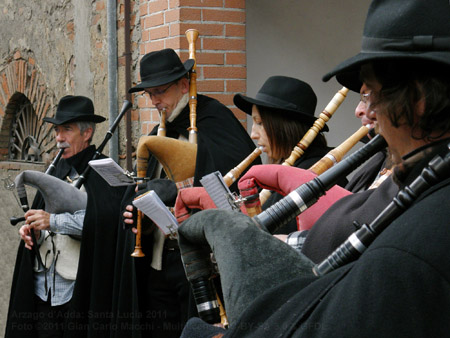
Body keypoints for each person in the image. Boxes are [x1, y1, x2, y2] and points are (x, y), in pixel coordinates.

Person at [176, 0, 450, 336]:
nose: (363, 112)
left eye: (373, 94)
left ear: (419, 99)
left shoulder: (414, 248)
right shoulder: (420, 181)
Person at [113, 48, 260, 338]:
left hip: (197, 262)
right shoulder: (159, 131)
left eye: (160, 91)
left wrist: (173, 189)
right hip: (158, 259)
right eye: (149, 94)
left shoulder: (213, 119)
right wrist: (137, 211)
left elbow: (233, 178)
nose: (155, 100)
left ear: (183, 84)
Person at [5, 95, 127, 338]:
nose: (59, 138)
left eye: (67, 130)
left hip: (80, 293)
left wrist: (54, 221)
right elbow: (41, 221)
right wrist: (33, 232)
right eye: (57, 130)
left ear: (87, 133)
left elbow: (108, 223)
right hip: (43, 292)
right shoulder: (55, 170)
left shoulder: (108, 171)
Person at [234, 75, 347, 234]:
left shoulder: (314, 173)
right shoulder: (288, 166)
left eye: (260, 123)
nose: (253, 134)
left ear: (284, 126)